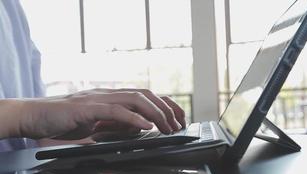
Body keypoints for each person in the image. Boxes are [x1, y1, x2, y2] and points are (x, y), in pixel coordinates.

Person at [0, 0, 185, 148]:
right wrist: (25, 116)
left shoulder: (11, 8)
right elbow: (26, 119)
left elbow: (27, 141)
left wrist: (96, 136)